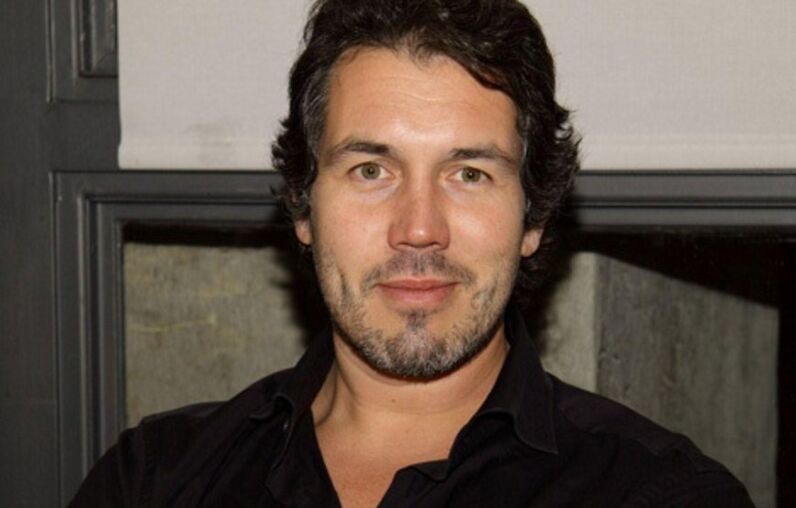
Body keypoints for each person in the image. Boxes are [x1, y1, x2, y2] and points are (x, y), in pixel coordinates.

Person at [71, 0, 753, 506]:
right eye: (371, 170)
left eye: (469, 174)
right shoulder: (154, 479)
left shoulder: (663, 494)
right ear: (304, 206)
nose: (419, 229)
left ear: (534, 217)